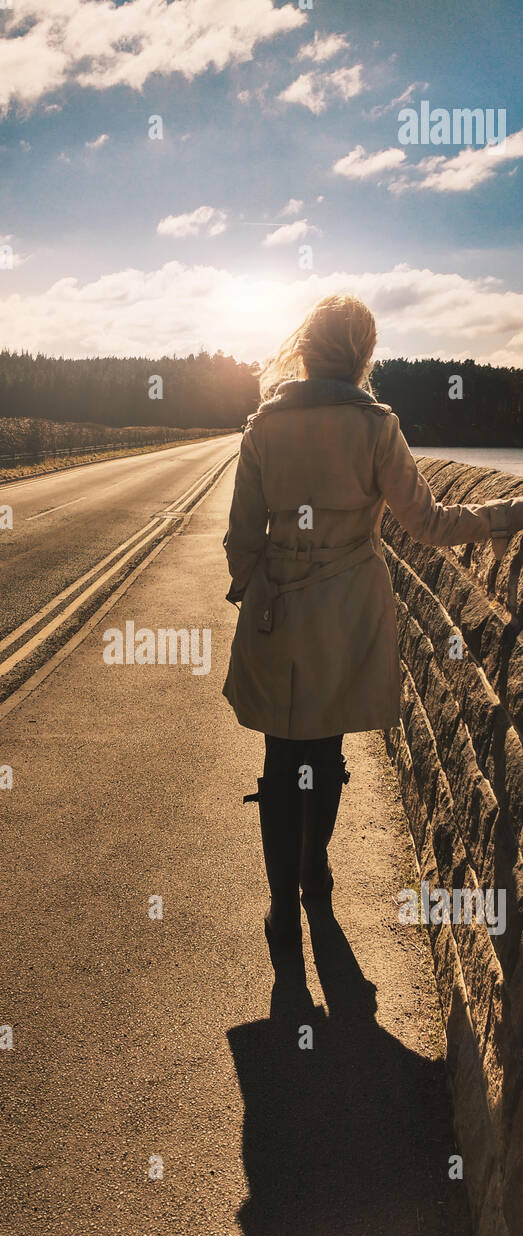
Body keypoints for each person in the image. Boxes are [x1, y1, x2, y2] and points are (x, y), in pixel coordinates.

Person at [222, 294, 523, 969]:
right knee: (322, 756)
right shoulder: (374, 426)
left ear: (305, 349)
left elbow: (240, 542)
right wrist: (507, 513)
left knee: (279, 761)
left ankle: (280, 912)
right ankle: (315, 878)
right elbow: (430, 525)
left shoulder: (261, 428)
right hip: (344, 612)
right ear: (362, 354)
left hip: (278, 615)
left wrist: (259, 597)